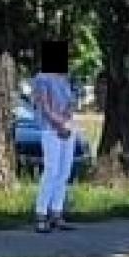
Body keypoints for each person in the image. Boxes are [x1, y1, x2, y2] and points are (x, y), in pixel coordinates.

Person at [32, 39, 78, 233]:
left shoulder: (65, 79)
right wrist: (59, 124)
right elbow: (45, 107)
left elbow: (70, 103)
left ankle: (57, 212)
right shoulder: (42, 79)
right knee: (51, 170)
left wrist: (67, 120)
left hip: (67, 126)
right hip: (50, 129)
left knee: (64, 171)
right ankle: (41, 213)